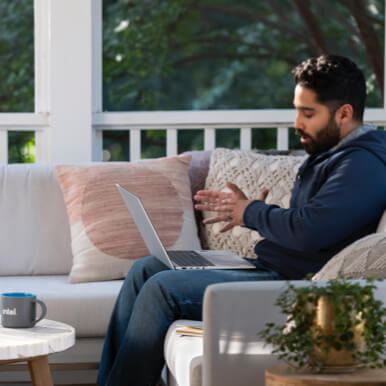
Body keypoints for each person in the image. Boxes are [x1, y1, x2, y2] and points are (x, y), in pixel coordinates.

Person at [97, 55, 386, 386]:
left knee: (161, 289)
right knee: (145, 269)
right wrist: (257, 215)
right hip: (275, 268)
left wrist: (251, 212)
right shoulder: (336, 155)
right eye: (297, 110)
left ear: (344, 114)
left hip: (299, 289)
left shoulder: (364, 165)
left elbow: (310, 231)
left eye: (308, 113)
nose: (297, 123)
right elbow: (317, 223)